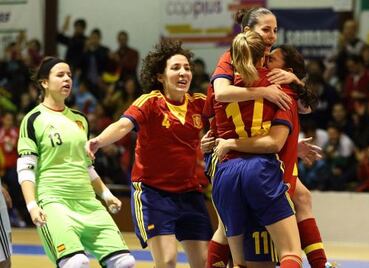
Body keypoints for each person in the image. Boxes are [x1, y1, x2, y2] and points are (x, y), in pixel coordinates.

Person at [204, 7, 328, 268]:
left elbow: (303, 107)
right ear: (248, 31)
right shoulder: (231, 61)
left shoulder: (276, 75)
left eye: (275, 30)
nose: (272, 36)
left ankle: (321, 263)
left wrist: (294, 80)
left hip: (235, 161)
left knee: (301, 198)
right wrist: (266, 92)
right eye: (265, 30)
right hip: (240, 156)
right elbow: (221, 94)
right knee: (236, 234)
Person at [85, 39, 213, 267]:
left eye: (187, 68)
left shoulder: (199, 104)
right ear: (160, 76)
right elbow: (123, 125)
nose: (183, 72)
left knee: (205, 262)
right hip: (153, 194)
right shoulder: (151, 102)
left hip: (190, 193)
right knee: (167, 261)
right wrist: (98, 141)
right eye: (175, 68)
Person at [16, 57, 135, 268]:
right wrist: (32, 205)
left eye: (69, 75)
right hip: (54, 202)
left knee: (124, 262)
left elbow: (87, 166)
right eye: (60, 75)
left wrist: (106, 195)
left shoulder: (80, 119)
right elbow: (25, 168)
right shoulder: (33, 119)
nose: (67, 79)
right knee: (76, 263)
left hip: (88, 202)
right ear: (44, 82)